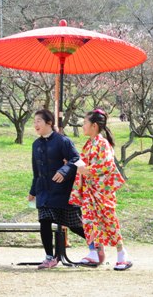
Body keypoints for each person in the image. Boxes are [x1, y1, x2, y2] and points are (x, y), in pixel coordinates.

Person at [69, 109, 132, 270]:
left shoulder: (103, 143)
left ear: (94, 126)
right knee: (89, 221)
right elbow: (82, 163)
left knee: (109, 221)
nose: (83, 126)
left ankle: (121, 253)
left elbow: (107, 165)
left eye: (85, 123)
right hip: (90, 191)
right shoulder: (89, 144)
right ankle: (95, 252)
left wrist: (87, 170)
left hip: (102, 190)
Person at [29, 108, 88, 269]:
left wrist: (64, 171)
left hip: (62, 191)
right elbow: (36, 171)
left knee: (75, 225)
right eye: (34, 122)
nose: (35, 125)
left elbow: (76, 159)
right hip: (44, 191)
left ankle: (96, 246)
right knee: (44, 220)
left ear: (49, 122)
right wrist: (32, 191)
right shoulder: (36, 145)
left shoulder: (63, 141)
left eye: (38, 121)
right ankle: (49, 257)